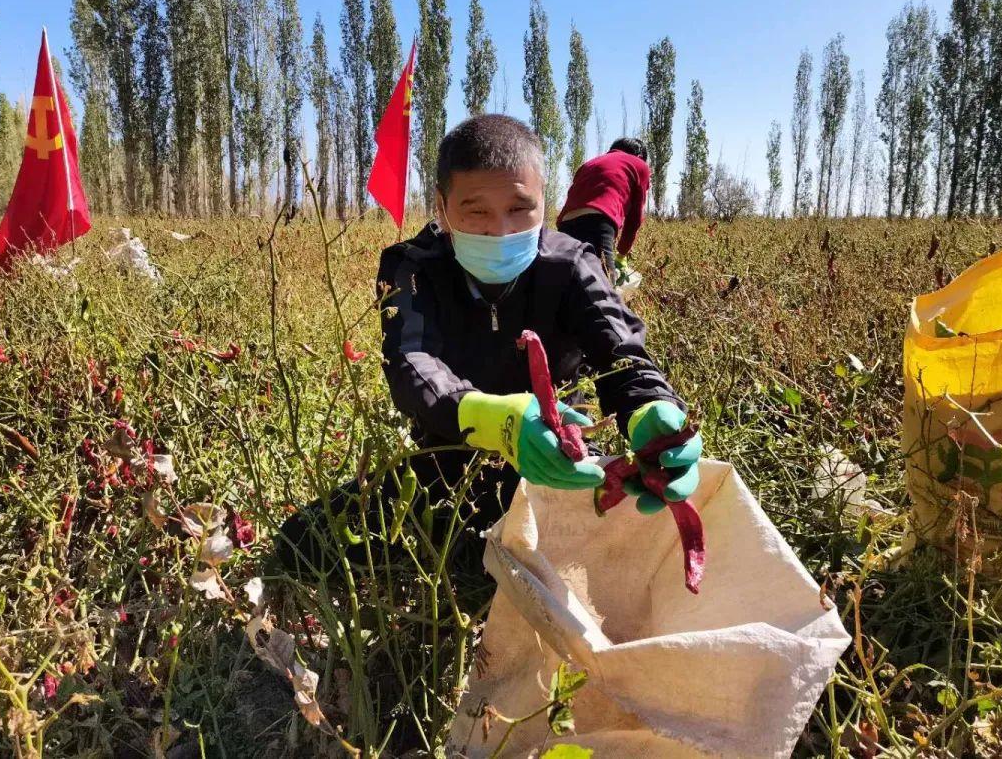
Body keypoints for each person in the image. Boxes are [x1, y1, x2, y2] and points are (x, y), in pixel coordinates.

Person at [278, 116, 699, 574]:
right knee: (303, 543)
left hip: (557, 467)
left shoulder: (573, 265)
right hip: (442, 465)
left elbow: (620, 350)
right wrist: (492, 419)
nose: (500, 231)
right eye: (476, 211)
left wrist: (651, 406)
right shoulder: (413, 267)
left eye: (520, 208)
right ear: (441, 208)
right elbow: (409, 361)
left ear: (544, 201)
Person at [557, 137, 651, 276]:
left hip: (566, 223)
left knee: (564, 277)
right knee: (603, 282)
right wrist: (622, 253)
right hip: (599, 222)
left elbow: (572, 194)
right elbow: (635, 218)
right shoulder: (640, 165)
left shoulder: (589, 164)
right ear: (640, 156)